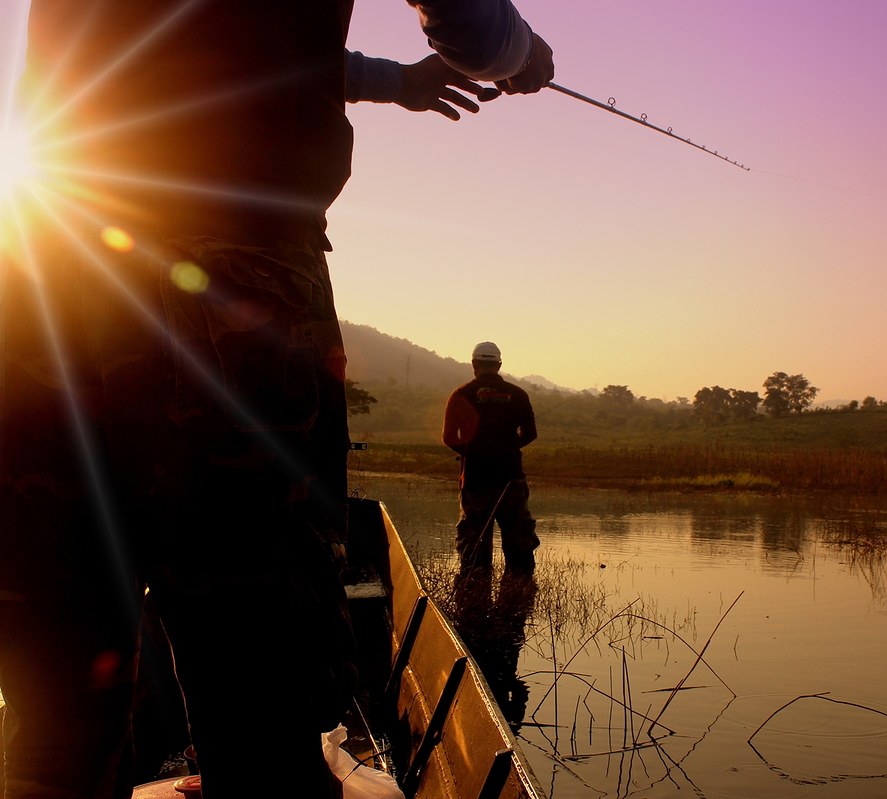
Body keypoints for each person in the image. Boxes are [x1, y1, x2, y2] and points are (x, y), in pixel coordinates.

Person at [0, 2, 554, 798]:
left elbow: (190, 42)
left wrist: (392, 81)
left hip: (40, 277)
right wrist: (520, 53)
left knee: (54, 724)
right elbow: (469, 24)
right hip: (232, 278)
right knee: (258, 709)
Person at [441, 342, 539, 577]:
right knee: (519, 551)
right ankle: (518, 604)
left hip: (475, 481)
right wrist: (505, 449)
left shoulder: (460, 394)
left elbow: (448, 438)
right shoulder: (518, 395)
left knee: (474, 554)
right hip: (511, 480)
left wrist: (473, 452)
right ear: (499, 365)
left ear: (474, 365)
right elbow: (530, 434)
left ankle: (474, 605)